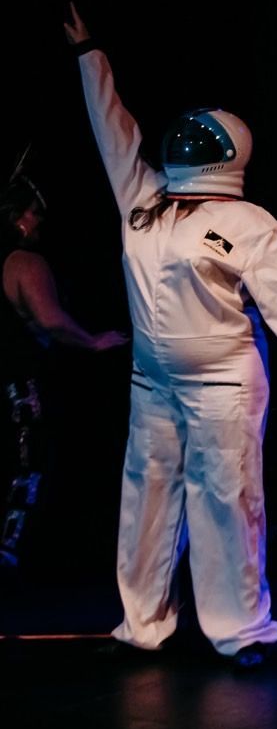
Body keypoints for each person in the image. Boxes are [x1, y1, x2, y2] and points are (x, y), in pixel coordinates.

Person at [65, 2, 277, 667]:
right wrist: (91, 56)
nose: (183, 144)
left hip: (222, 382)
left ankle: (239, 627)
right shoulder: (144, 200)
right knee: (146, 498)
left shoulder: (246, 220)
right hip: (153, 381)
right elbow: (113, 131)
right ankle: (143, 620)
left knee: (226, 498)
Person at [2, 169, 128, 568]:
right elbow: (51, 319)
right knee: (30, 465)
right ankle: (12, 554)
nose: (40, 222)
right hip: (21, 385)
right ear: (19, 218)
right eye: (35, 213)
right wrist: (93, 341)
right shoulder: (23, 262)